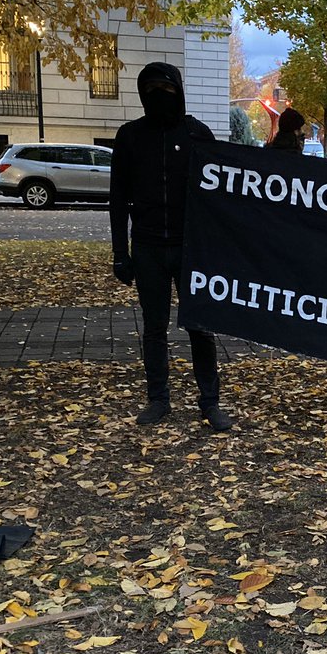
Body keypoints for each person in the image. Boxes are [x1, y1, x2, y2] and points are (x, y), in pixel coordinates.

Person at [109, 62, 234, 432]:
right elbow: (118, 198)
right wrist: (120, 251)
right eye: (149, 90)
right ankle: (158, 398)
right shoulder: (130, 136)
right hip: (147, 247)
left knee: (200, 327)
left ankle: (210, 401)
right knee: (154, 328)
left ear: (178, 91)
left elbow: (220, 194)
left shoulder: (197, 133)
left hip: (190, 248)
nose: (157, 97)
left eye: (164, 89)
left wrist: (215, 249)